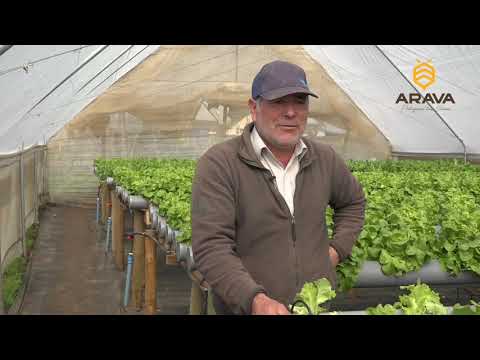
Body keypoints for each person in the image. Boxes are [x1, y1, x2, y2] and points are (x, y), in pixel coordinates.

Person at [191, 60, 366, 315]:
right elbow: (211, 247)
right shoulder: (220, 164)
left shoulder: (325, 158)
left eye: (299, 101)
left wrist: (336, 250)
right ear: (254, 107)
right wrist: (254, 299)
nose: (291, 112)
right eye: (279, 102)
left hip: (315, 307)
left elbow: (353, 202)